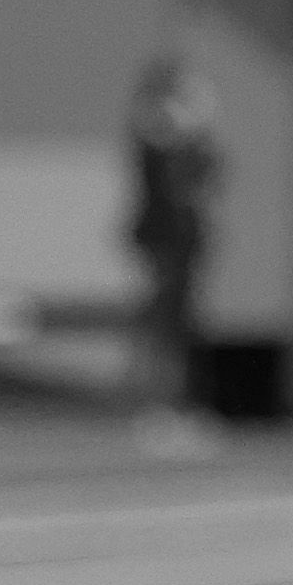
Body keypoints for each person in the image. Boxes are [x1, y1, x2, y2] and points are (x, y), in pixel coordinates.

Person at [122, 51, 222, 453]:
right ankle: (158, 408)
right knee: (163, 327)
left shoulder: (188, 137)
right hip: (164, 240)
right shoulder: (159, 132)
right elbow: (164, 142)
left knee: (180, 326)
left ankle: (179, 408)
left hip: (182, 240)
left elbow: (209, 169)